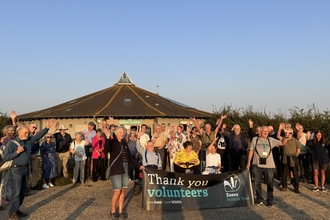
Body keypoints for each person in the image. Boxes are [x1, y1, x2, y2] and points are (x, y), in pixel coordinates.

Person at [4, 118, 54, 219]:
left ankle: (17, 209)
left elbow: (38, 136)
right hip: (16, 171)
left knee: (22, 192)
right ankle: (12, 213)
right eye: (26, 132)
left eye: (28, 132)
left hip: (25, 170)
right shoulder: (12, 144)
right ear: (19, 133)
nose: (28, 134)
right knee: (16, 192)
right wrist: (17, 152)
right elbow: (6, 157)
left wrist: (47, 127)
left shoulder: (28, 141)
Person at [105, 127, 143, 220]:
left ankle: (121, 211)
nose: (122, 134)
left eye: (123, 132)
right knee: (117, 191)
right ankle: (113, 211)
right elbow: (106, 149)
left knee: (123, 190)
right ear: (116, 133)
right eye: (120, 132)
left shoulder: (125, 144)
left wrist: (139, 166)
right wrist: (107, 138)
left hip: (125, 169)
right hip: (116, 169)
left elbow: (130, 158)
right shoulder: (113, 142)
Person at [247, 126, 286, 206]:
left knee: (270, 183)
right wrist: (248, 163)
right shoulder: (255, 139)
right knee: (257, 183)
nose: (265, 133)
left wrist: (286, 136)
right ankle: (259, 199)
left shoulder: (271, 140)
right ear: (260, 132)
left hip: (269, 165)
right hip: (257, 164)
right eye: (264, 131)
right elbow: (251, 151)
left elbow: (282, 143)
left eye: (267, 131)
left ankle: (270, 200)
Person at [277, 123, 301, 193]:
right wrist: (279, 129)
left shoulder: (296, 141)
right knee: (284, 172)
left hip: (293, 157)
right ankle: (284, 186)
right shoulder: (284, 139)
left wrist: (295, 157)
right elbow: (278, 136)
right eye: (287, 132)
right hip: (285, 157)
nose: (288, 134)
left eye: (290, 133)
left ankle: (296, 187)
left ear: (292, 133)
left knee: (295, 173)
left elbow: (298, 150)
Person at [0, 125, 15, 206]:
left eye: (13, 130)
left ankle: (8, 195)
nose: (12, 132)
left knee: (9, 179)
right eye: (10, 130)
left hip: (11, 161)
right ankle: (3, 197)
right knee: (4, 180)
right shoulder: (4, 139)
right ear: (6, 131)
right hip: (5, 162)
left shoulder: (13, 139)